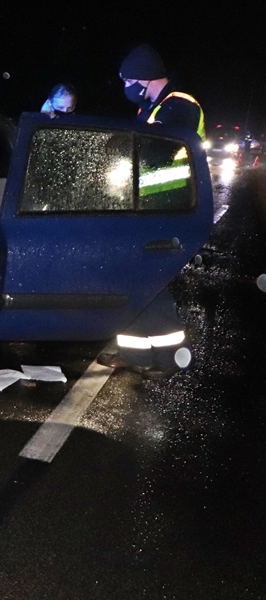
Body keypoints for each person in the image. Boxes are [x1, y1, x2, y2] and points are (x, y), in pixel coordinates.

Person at [96, 44, 203, 379]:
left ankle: (170, 358)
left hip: (169, 210)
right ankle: (136, 355)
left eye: (129, 81)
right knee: (133, 281)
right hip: (146, 209)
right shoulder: (152, 108)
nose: (127, 88)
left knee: (152, 284)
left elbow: (157, 152)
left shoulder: (179, 106)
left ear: (144, 78)